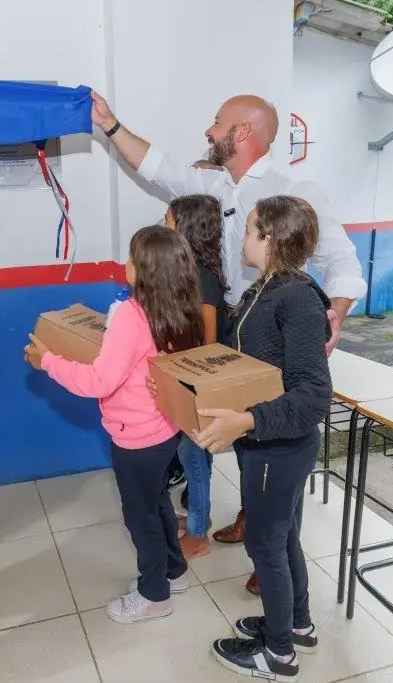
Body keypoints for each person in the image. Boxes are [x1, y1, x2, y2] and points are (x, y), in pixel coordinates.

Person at [91, 90, 365, 595]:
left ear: (243, 133)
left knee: (279, 441)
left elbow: (345, 261)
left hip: (279, 337)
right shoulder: (218, 182)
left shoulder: (294, 188)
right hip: (239, 334)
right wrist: (110, 126)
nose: (209, 131)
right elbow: (159, 168)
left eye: (217, 123)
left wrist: (335, 314)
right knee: (247, 441)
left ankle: (274, 551)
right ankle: (253, 515)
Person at [25, 226, 204, 624]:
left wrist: (48, 361)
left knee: (139, 515)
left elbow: (99, 382)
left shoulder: (131, 316)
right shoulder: (181, 312)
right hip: (163, 431)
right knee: (156, 501)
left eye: (132, 258)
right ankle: (173, 572)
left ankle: (154, 594)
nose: (126, 263)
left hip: (135, 438)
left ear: (145, 271)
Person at [192, 195, 331, 682]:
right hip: (269, 445)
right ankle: (296, 623)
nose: (243, 237)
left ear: (270, 239)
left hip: (279, 446)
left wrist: (245, 422)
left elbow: (314, 396)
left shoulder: (295, 299)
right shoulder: (265, 289)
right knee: (285, 536)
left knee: (266, 546)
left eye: (250, 230)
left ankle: (277, 655)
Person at [162, 195, 227, 560]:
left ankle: (199, 533)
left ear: (187, 228)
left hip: (199, 385)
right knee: (194, 456)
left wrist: (191, 390)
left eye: (169, 221)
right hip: (187, 380)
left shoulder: (204, 279)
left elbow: (208, 345)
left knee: (193, 457)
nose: (164, 226)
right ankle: (197, 517)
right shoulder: (189, 273)